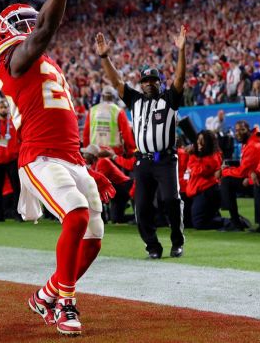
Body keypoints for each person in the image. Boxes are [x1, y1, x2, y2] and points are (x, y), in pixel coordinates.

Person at [0, 0, 100, 337]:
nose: (28, 25)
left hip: (70, 155)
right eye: (21, 22)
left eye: (29, 20)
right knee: (76, 215)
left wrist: (85, 160)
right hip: (39, 156)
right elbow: (44, 33)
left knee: (94, 238)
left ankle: (46, 294)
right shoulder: (11, 58)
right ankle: (65, 304)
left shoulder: (44, 59)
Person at [98, 25, 187, 259]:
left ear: (159, 83)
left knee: (170, 200)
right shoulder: (135, 100)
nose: (148, 83)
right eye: (145, 80)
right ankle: (152, 247)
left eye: (153, 80)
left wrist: (181, 51)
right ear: (141, 83)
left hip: (166, 159)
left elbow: (180, 78)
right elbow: (117, 82)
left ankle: (177, 241)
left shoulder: (169, 99)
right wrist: (105, 57)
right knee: (142, 206)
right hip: (143, 162)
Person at [219, 120, 260, 231]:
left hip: (256, 181)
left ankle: (236, 222)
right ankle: (236, 221)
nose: (238, 133)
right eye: (236, 130)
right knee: (226, 181)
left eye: (242, 130)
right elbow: (245, 167)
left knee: (226, 181)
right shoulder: (249, 142)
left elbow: (242, 172)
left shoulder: (252, 145)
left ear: (248, 130)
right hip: (253, 178)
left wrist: (224, 171)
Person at [80, 144, 131, 224]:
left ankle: (101, 216)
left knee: (96, 189)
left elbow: (100, 180)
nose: (84, 156)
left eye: (86, 154)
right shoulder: (95, 164)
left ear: (91, 155)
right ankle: (135, 217)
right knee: (116, 219)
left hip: (123, 187)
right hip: (117, 189)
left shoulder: (103, 162)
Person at [82, 86, 135, 156]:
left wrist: (87, 150)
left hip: (95, 153)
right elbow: (126, 133)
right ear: (114, 97)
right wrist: (131, 150)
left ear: (102, 96)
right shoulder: (118, 111)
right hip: (113, 153)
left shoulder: (92, 110)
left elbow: (86, 133)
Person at [185, 130, 223, 230]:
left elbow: (198, 171)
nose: (199, 143)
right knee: (188, 222)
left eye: (202, 141)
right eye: (198, 140)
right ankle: (216, 216)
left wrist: (192, 156)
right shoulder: (201, 156)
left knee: (199, 224)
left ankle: (231, 222)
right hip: (198, 191)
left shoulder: (213, 157)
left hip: (207, 191)